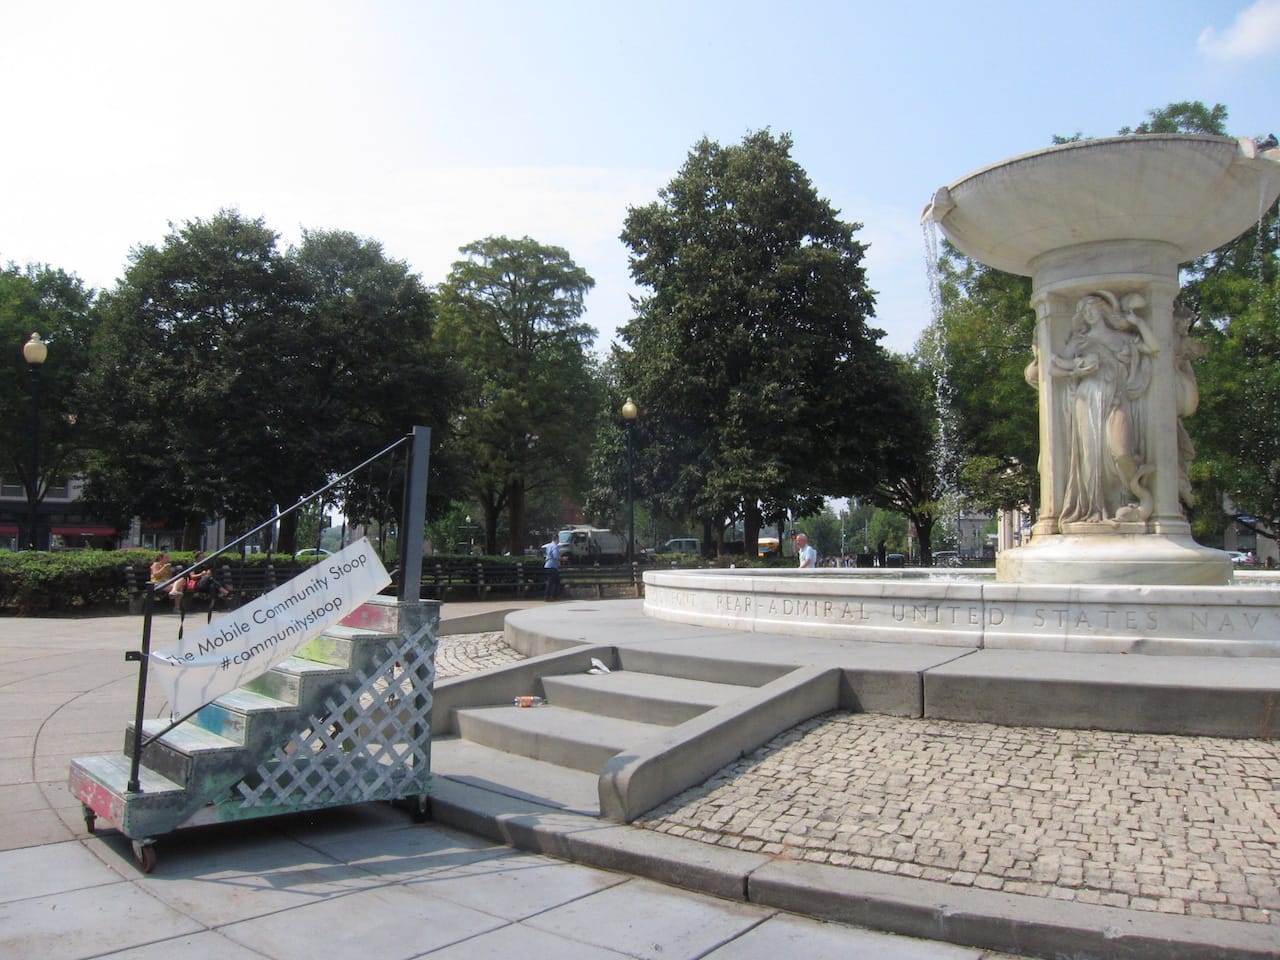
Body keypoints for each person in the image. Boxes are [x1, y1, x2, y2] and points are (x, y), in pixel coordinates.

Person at [542, 536, 561, 600]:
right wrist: (563, 559)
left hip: (547, 566)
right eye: (558, 539)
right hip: (552, 566)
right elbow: (556, 556)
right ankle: (550, 596)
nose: (559, 541)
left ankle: (551, 596)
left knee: (552, 582)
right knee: (554, 582)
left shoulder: (549, 546)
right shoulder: (555, 546)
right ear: (556, 539)